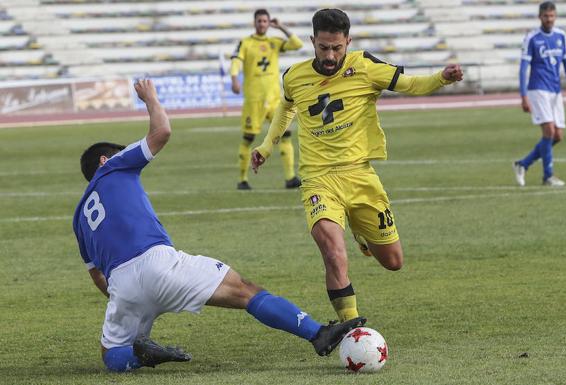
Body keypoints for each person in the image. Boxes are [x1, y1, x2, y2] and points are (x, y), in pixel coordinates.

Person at [72, 79, 365, 373]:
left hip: (121, 284)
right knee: (246, 291)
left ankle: (139, 357)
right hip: (157, 263)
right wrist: (150, 98)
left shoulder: (78, 217)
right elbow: (162, 132)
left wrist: (128, 301)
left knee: (111, 353)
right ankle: (318, 334)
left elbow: (97, 276)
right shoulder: (112, 166)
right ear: (104, 160)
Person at [250, 9, 463, 322]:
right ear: (312, 41)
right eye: (323, 48)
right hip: (318, 180)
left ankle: (362, 235)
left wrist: (441, 79)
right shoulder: (293, 77)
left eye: (337, 48)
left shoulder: (365, 66)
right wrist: (266, 147)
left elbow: (409, 85)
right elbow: (286, 106)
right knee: (334, 255)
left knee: (393, 262)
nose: (331, 55)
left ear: (348, 41)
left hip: (360, 176)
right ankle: (352, 328)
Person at [230, 9, 304, 190]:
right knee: (248, 138)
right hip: (254, 100)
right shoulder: (245, 43)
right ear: (254, 23)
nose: (262, 24)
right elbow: (236, 61)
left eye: (265, 21)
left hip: (274, 99)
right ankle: (242, 180)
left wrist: (281, 27)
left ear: (268, 23)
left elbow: (297, 44)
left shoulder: (274, 42)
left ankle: (290, 178)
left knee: (285, 135)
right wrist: (234, 78)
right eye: (259, 21)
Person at [513, 1, 566, 187]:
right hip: (537, 89)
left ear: (555, 16)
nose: (549, 19)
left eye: (552, 16)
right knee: (548, 130)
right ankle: (548, 176)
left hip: (555, 90)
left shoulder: (561, 36)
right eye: (546, 16)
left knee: (557, 136)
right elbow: (523, 68)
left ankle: (523, 164)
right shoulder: (532, 38)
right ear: (540, 17)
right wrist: (523, 95)